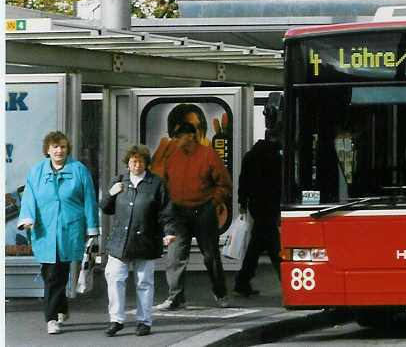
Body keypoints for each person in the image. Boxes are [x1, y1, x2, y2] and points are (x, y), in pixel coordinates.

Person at [17, 131, 100, 335]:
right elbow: (29, 196)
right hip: (44, 231)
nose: (59, 150)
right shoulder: (37, 171)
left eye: (62, 146)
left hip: (69, 229)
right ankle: (61, 307)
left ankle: (52, 318)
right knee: (49, 273)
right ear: (48, 149)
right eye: (55, 147)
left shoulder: (79, 170)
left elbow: (89, 199)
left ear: (67, 149)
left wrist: (92, 229)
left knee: (56, 273)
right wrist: (27, 218)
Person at [152, 121, 232, 309]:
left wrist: (212, 204)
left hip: (204, 210)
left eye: (178, 136)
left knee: (210, 256)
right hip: (178, 213)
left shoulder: (208, 154)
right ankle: (175, 297)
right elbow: (165, 182)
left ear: (190, 136)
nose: (176, 140)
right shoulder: (172, 157)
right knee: (175, 255)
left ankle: (220, 293)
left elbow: (224, 183)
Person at [99, 145, 176, 337]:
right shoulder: (120, 181)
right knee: (115, 279)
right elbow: (105, 208)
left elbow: (165, 211)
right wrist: (111, 193)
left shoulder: (156, 183)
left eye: (141, 161)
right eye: (133, 161)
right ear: (127, 163)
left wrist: (169, 232)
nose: (136, 165)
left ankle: (144, 321)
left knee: (144, 282)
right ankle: (116, 320)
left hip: (146, 240)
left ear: (147, 164)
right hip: (120, 242)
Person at [234, 130, 282, 297]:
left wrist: (242, 201)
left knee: (258, 243)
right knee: (273, 244)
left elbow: (243, 180)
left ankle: (242, 281)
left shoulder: (251, 155)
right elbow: (279, 184)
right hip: (270, 205)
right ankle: (286, 278)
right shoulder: (276, 157)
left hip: (256, 204)